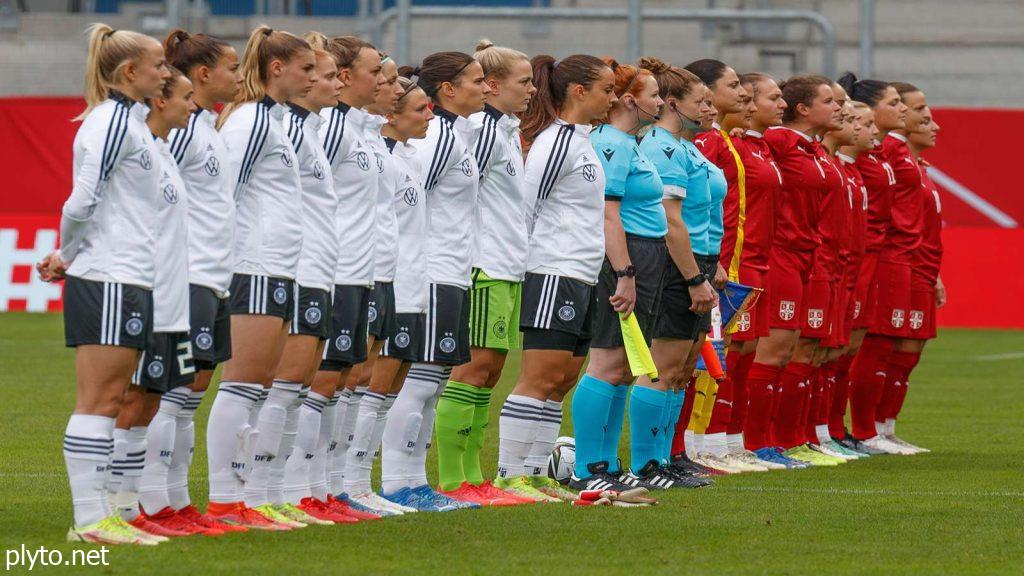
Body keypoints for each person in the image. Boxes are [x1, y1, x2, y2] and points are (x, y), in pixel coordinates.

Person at [40, 23, 171, 545]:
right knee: (101, 400)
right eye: (159, 65)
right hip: (111, 276)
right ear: (129, 73)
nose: (166, 72)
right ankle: (91, 521)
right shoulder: (111, 122)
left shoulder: (133, 122)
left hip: (131, 275)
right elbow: (80, 200)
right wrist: (68, 254)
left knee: (115, 398)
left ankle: (104, 516)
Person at [204, 25, 315, 530]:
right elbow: (224, 194)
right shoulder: (249, 121)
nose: (312, 78)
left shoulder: (272, 120)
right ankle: (225, 500)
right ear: (277, 69)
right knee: (242, 385)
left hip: (278, 266)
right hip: (252, 265)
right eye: (306, 68)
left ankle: (243, 497)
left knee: (259, 386)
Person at [496, 54, 622, 493]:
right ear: (578, 91)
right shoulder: (554, 142)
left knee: (562, 381)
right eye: (607, 89)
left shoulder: (581, 139)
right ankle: (511, 475)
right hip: (552, 271)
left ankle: (535, 475)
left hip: (582, 275)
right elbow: (525, 208)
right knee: (540, 378)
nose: (614, 98)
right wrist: (522, 268)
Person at [431, 40, 548, 505]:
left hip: (505, 264)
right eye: (523, 82)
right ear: (494, 85)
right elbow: (460, 193)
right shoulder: (478, 129)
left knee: (491, 371)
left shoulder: (502, 129)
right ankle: (454, 480)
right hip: (483, 264)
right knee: (472, 370)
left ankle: (473, 478)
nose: (532, 90)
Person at [379, 51, 490, 512]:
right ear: (448, 89)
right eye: (477, 81)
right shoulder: (436, 137)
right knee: (419, 382)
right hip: (429, 273)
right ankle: (397, 482)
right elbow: (404, 203)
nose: (485, 89)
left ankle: (414, 481)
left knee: (434, 379)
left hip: (452, 272)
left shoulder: (455, 134)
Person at [568, 56, 676, 490]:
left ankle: (609, 466)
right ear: (630, 101)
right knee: (608, 362)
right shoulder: (610, 143)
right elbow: (608, 215)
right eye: (653, 95)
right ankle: (588, 469)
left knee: (627, 366)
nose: (660, 102)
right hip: (624, 257)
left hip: (644, 256)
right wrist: (625, 271)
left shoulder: (629, 142)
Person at [273, 37, 366, 525]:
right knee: (293, 385)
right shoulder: (307, 128)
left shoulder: (324, 128)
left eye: (328, 74)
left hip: (341, 270)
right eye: (321, 73)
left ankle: (314, 489)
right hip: (309, 269)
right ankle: (274, 492)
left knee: (327, 384)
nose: (324, 82)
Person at [158, 29, 246, 534]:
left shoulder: (208, 126)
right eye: (232, 68)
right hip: (188, 274)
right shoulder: (183, 128)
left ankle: (176, 503)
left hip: (215, 277)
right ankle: (154, 503)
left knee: (191, 391)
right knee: (172, 391)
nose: (239, 77)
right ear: (204, 74)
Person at [741, 75, 840, 467]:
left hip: (804, 258)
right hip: (778, 254)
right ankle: (751, 441)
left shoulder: (810, 148)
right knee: (770, 350)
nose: (838, 109)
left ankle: (777, 440)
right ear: (804, 108)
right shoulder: (778, 142)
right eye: (830, 101)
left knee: (788, 352)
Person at [339, 51, 420, 516]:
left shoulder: (375, 143)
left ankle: (351, 485)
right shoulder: (342, 132)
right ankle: (320, 488)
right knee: (338, 381)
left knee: (363, 381)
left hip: (385, 273)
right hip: (349, 271)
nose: (390, 87)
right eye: (384, 78)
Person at [312, 36, 385, 513]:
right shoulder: (329, 127)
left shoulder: (356, 130)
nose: (383, 82)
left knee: (344, 381)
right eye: (375, 71)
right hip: (332, 272)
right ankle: (300, 489)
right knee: (317, 384)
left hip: (362, 272)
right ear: (344, 76)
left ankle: (332, 488)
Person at [367, 73, 434, 513]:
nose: (429, 116)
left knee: (390, 388)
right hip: (384, 282)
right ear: (391, 116)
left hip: (412, 284)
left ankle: (371, 485)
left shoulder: (408, 157)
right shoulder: (382, 156)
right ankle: (350, 484)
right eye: (419, 109)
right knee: (367, 387)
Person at [869, 82, 936, 454]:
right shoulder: (886, 152)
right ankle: (867, 429)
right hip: (890, 260)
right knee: (879, 344)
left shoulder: (908, 158)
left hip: (916, 263)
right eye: (915, 107)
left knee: (908, 346)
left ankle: (883, 427)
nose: (928, 118)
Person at [828, 101, 875, 446]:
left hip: (847, 271)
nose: (861, 129)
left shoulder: (852, 171)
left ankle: (826, 432)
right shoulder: (828, 166)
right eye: (856, 122)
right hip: (820, 268)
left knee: (836, 353)